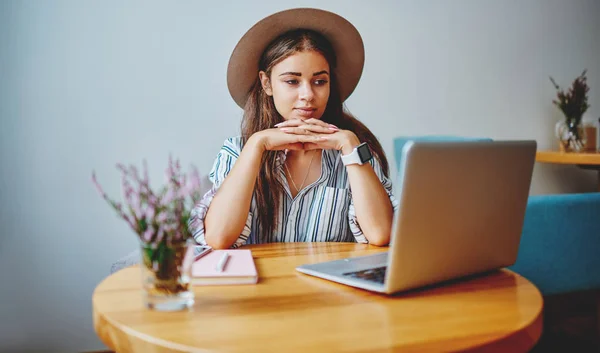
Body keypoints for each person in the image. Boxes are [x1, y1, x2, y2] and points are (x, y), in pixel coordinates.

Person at [189, 8, 399, 249]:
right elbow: (218, 238)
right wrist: (256, 145)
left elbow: (381, 234)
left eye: (320, 81)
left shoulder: (356, 152)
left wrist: (350, 145)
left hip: (329, 285)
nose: (308, 95)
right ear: (266, 83)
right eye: (292, 81)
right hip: (257, 286)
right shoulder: (236, 151)